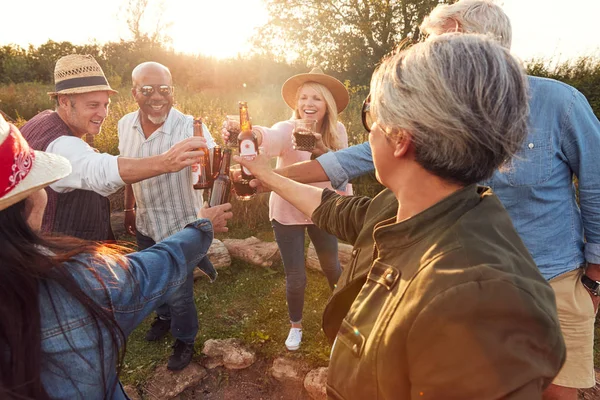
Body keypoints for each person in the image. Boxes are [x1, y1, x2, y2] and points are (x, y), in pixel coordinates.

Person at [276, 2, 600, 397]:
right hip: (457, 277)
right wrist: (269, 176)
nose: (426, 56)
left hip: (552, 276)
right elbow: (354, 162)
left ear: (462, 39)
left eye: (433, 44)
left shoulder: (560, 103)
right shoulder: (431, 118)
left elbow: (597, 183)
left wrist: (593, 278)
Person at [0, 113, 233, 398]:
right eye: (39, 184)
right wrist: (202, 226)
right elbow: (153, 270)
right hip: (161, 228)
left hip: (169, 222)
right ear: (27, 202)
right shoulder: (77, 281)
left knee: (181, 301)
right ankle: (170, 326)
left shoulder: (188, 124)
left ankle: (183, 337)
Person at [222, 67, 352, 351]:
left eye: (316, 98)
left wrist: (325, 155)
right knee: (296, 275)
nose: (308, 103)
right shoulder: (287, 128)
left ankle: (344, 318)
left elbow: (344, 168)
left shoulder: (337, 131)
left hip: (323, 208)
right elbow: (268, 137)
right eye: (304, 97)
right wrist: (251, 135)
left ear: (327, 104)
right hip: (288, 210)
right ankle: (296, 325)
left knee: (332, 265)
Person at [20, 54, 207, 241]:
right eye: (93, 105)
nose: (102, 113)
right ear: (64, 101)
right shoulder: (61, 145)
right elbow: (100, 172)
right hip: (60, 256)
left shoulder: (42, 120)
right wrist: (166, 161)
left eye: (105, 105)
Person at [118, 61, 217, 370]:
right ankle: (162, 319)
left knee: (180, 293)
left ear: (172, 91)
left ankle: (185, 340)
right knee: (151, 279)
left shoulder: (190, 127)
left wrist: (217, 160)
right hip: (147, 222)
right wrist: (129, 206)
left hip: (179, 226)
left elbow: (214, 166)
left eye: (164, 89)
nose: (156, 96)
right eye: (147, 90)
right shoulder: (124, 124)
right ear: (135, 93)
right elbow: (128, 170)